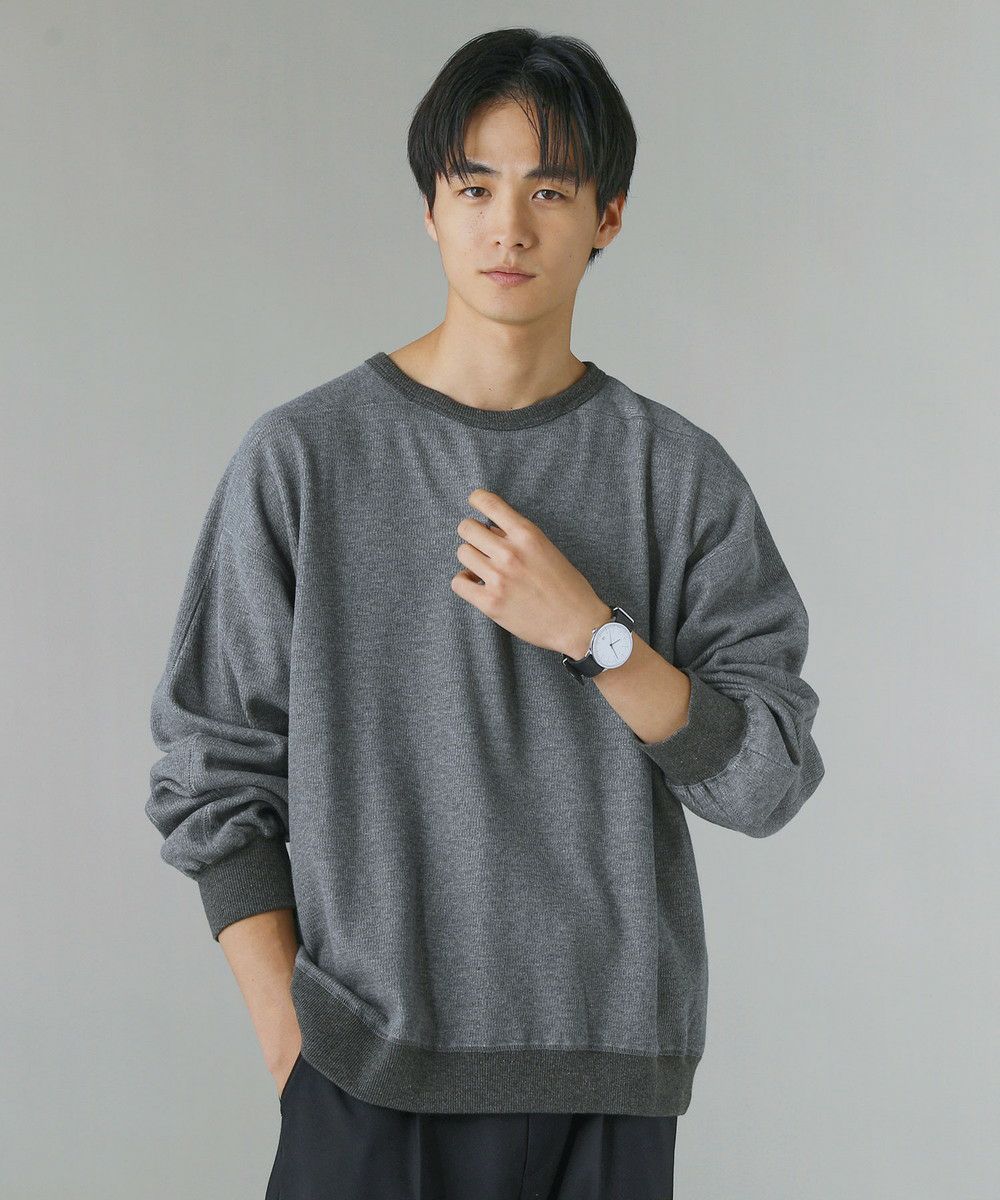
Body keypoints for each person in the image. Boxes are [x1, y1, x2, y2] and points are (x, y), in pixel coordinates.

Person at [146, 27, 825, 1200]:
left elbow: (765, 781)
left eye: (548, 191)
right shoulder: (304, 459)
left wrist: (597, 637)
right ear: (430, 208)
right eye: (474, 187)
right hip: (365, 1068)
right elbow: (211, 774)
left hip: (608, 1080)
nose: (508, 227)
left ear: (608, 217)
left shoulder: (676, 476)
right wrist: (295, 1045)